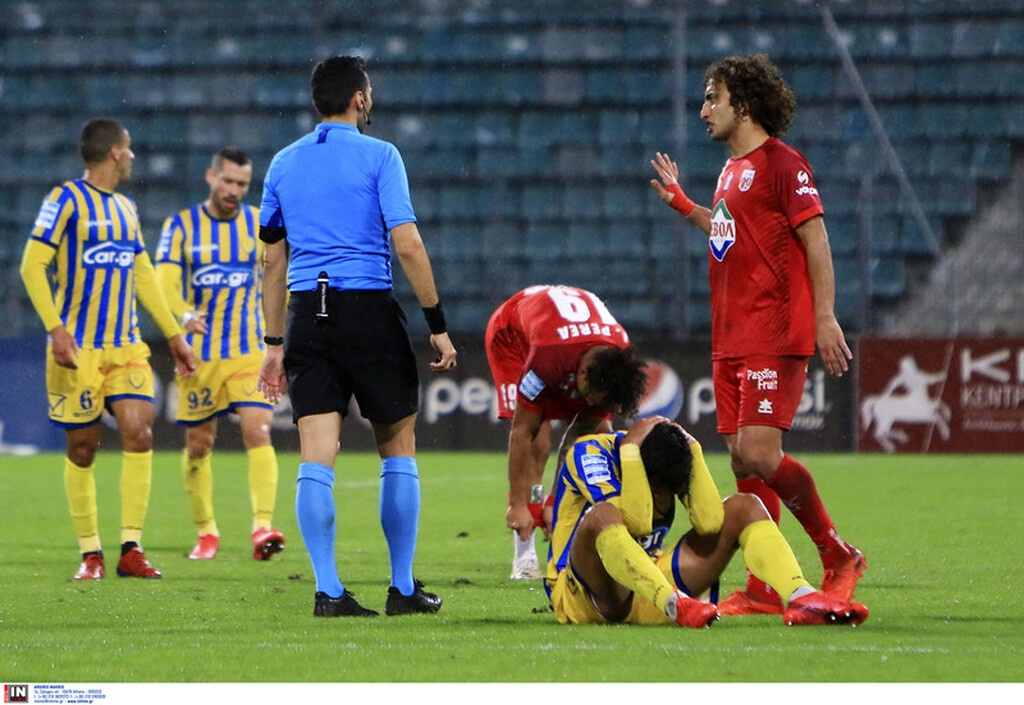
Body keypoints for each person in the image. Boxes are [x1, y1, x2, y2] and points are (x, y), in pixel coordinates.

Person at [649, 53, 865, 615]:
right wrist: (684, 204)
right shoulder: (729, 171)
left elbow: (815, 240)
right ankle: (767, 584)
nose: (703, 111)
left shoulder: (783, 163)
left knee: (759, 452)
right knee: (741, 463)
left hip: (773, 328)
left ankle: (838, 554)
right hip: (731, 334)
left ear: (742, 104)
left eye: (712, 98)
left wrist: (824, 317)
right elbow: (724, 232)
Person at [256, 56, 458, 618]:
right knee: (397, 447)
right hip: (367, 307)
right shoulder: (381, 155)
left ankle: (328, 591)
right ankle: (401, 589)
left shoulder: (283, 163)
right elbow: (409, 244)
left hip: (306, 315)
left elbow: (272, 260)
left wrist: (274, 344)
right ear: (361, 99)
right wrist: (437, 325)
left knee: (316, 456)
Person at [19, 117, 198, 580]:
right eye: (130, 148)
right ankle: (90, 553)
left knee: (139, 431)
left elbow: (143, 276)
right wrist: (57, 329)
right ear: (115, 152)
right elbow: (32, 266)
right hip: (78, 348)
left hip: (126, 347)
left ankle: (131, 548)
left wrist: (175, 336)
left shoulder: (127, 209)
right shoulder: (63, 200)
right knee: (83, 447)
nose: (134, 156)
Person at [545, 415, 869, 628]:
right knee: (603, 515)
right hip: (585, 596)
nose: (661, 499)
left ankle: (801, 596)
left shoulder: (665, 457)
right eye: (657, 489)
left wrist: (694, 449)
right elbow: (637, 522)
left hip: (650, 585)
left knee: (745, 506)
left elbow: (710, 521)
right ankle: (677, 605)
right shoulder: (589, 453)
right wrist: (630, 453)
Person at [155, 146, 285, 561]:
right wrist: (183, 314)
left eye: (242, 184)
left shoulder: (257, 224)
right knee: (198, 445)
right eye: (227, 181)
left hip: (249, 350)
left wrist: (276, 339)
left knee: (258, 431)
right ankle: (207, 533)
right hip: (201, 355)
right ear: (211, 176)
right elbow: (162, 282)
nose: (234, 190)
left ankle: (262, 528)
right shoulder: (181, 226)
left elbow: (274, 278)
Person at [485, 285, 648, 580]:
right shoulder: (548, 360)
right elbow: (522, 432)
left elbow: (576, 442)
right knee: (539, 440)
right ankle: (524, 557)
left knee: (597, 436)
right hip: (513, 337)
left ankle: (568, 539)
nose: (584, 404)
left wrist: (554, 501)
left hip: (562, 338)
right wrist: (520, 503)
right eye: (587, 395)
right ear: (583, 374)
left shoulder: (617, 358)